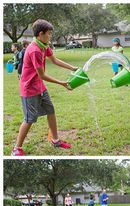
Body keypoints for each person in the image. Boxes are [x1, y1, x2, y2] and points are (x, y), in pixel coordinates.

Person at [11, 19, 79, 156]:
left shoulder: (43, 45)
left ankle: (55, 140)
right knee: (29, 119)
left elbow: (54, 60)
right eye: (49, 33)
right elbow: (42, 75)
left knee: (50, 111)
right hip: (29, 89)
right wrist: (62, 83)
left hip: (39, 87)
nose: (50, 36)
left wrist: (72, 68)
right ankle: (17, 148)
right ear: (40, 34)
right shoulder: (34, 50)